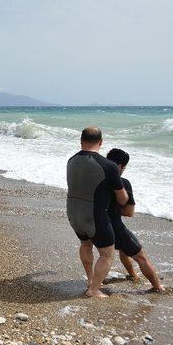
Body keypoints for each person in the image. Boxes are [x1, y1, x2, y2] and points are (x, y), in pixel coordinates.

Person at [66, 127, 129, 298]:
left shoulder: (71, 161)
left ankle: (90, 280)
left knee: (86, 244)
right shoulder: (108, 165)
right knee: (106, 253)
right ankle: (94, 290)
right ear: (101, 142)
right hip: (94, 216)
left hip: (73, 213)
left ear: (81, 141)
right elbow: (122, 199)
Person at [106, 148, 165, 292]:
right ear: (120, 166)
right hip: (113, 224)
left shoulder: (97, 178)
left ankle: (132, 274)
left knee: (123, 249)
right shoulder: (123, 183)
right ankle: (158, 287)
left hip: (94, 223)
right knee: (141, 256)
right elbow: (129, 212)